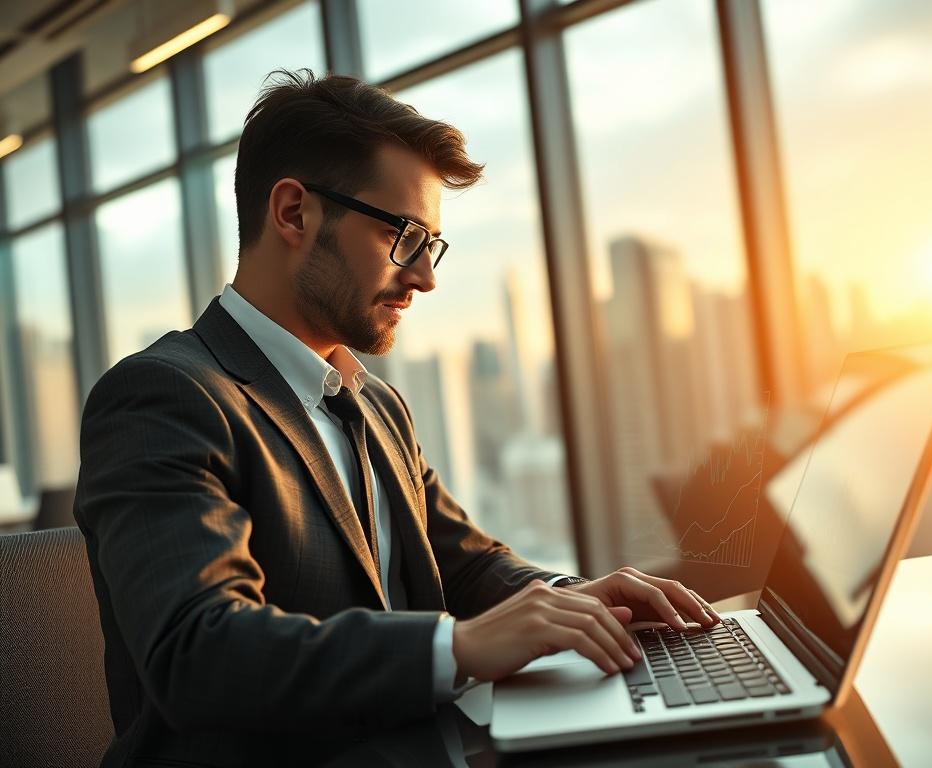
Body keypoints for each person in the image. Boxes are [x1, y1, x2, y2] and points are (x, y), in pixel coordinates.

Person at [74, 69, 720, 767]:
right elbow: (199, 653)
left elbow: (463, 564)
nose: (425, 277)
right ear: (293, 213)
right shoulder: (164, 396)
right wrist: (458, 647)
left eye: (430, 245)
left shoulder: (376, 403)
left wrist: (576, 599)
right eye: (404, 236)